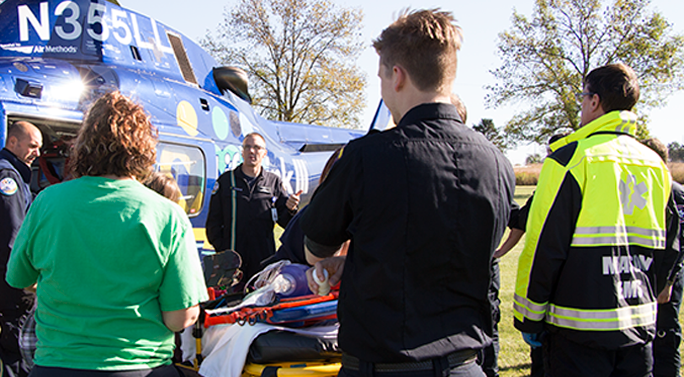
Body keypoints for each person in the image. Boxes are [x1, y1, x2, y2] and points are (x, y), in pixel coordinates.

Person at [301, 9, 516, 377]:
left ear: (396, 76)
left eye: (381, 78)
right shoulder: (496, 161)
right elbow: (447, 254)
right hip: (464, 364)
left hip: (383, 366)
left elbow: (314, 250)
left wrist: (337, 263)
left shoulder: (366, 156)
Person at [5, 91, 208, 377]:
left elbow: (18, 278)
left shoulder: (47, 201)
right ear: (144, 147)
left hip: (55, 365)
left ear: (84, 143)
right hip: (139, 367)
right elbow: (180, 318)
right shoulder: (168, 215)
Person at [513, 63, 680, 376]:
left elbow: (543, 246)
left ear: (594, 101)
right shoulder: (656, 165)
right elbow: (669, 245)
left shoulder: (570, 159)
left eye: (583, 97)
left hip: (576, 332)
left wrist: (529, 317)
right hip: (638, 327)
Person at [206, 132, 301, 286]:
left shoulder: (273, 182)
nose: (252, 151)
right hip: (232, 265)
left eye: (257, 147)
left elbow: (286, 222)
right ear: (242, 151)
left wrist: (290, 208)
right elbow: (213, 223)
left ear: (264, 153)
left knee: (260, 305)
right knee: (230, 306)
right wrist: (223, 251)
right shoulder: (226, 181)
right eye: (247, 147)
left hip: (263, 261)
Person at [0, 121, 42, 377]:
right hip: (13, 282)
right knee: (17, 348)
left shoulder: (15, 173)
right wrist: (27, 282)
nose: (37, 153)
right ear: (12, 142)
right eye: (33, 146)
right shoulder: (8, 177)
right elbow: (12, 237)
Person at [642, 137, 684, 377]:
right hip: (647, 273)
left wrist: (668, 282)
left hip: (668, 277)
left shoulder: (675, 193)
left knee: (665, 335)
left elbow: (680, 243)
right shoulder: (647, 188)